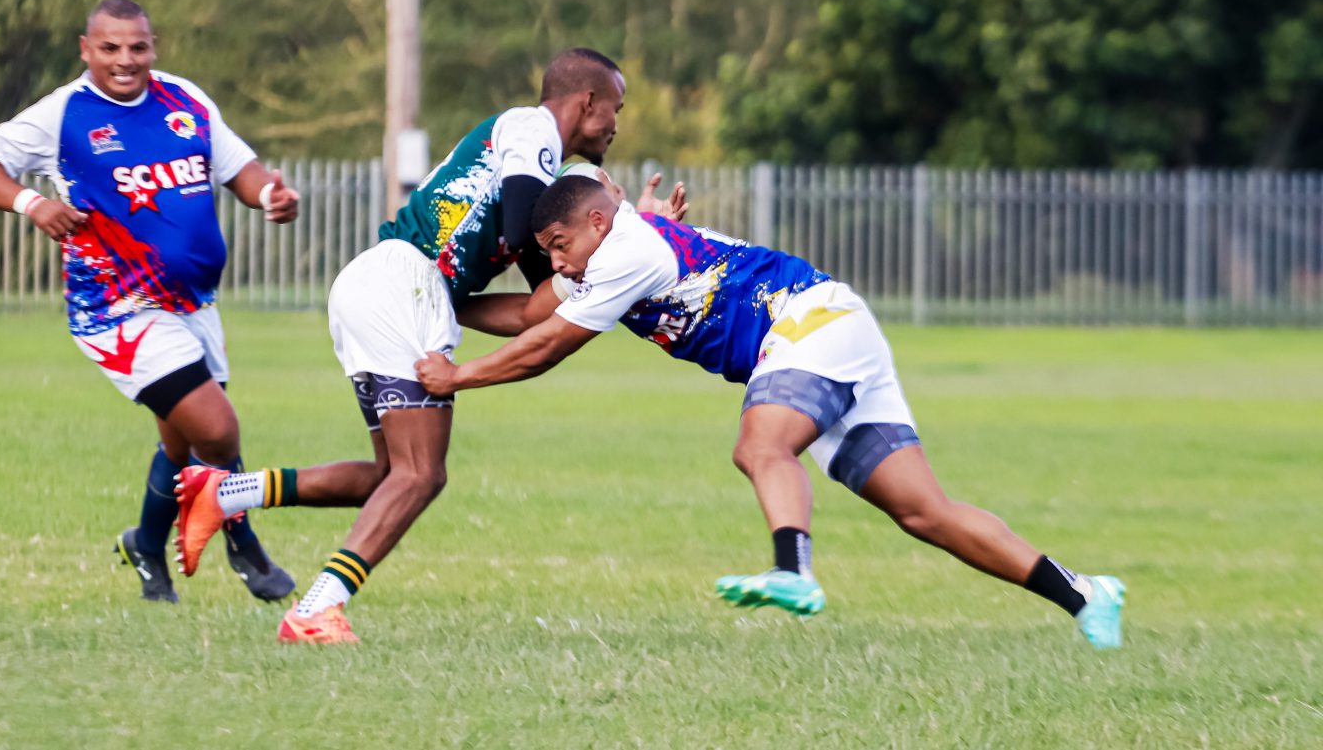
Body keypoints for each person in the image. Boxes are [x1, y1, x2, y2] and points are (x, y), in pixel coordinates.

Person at [411, 173, 1127, 649]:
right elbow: (530, 312)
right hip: (828, 334)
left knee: (760, 446)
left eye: (561, 246)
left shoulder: (625, 251)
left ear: (596, 221)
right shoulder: (610, 254)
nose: (558, 264)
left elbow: (543, 349)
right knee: (924, 512)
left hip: (810, 326)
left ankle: (794, 570)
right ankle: (1087, 594)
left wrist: (454, 378)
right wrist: (442, 299)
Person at [172, 49, 686, 644]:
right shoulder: (533, 129)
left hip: (398, 287)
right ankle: (315, 610)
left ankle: (226, 491)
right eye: (615, 109)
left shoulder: (540, 175)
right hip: (404, 286)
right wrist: (610, 216)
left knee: (390, 475)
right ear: (587, 103)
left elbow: (531, 310)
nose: (616, 124)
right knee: (421, 475)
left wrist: (626, 238)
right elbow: (525, 231)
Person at [0, 0, 298, 604]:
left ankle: (145, 543)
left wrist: (271, 195)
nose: (124, 60)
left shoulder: (184, 100)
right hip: (119, 312)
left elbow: (242, 170)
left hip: (193, 304)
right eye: (109, 48)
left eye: (136, 47)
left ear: (153, 46)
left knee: (182, 440)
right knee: (217, 431)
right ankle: (242, 541)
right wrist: (32, 204)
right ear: (85, 49)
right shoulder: (63, 113)